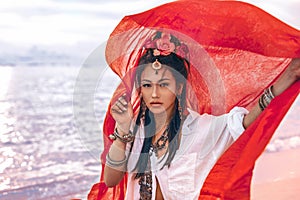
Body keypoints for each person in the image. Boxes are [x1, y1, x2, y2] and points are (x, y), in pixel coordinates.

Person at [102, 31, 300, 200]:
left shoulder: (200, 129)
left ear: (179, 86)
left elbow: (245, 123)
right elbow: (111, 180)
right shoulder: (135, 130)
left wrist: (288, 76)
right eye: (147, 85)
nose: (154, 94)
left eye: (163, 85)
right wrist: (122, 130)